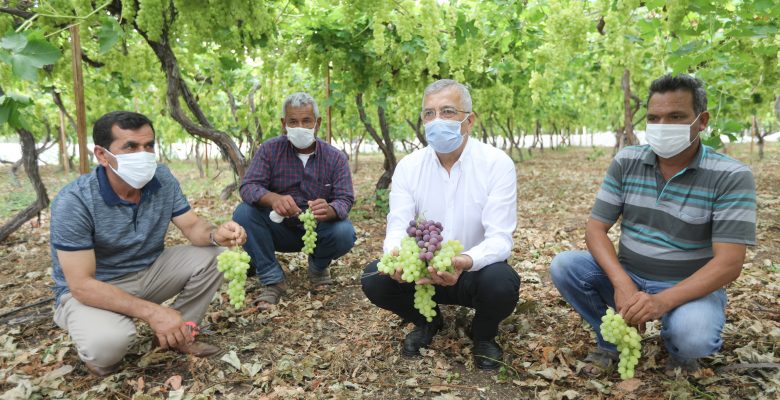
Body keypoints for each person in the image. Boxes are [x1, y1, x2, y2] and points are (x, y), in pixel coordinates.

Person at [550, 73, 756, 376]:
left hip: (689, 285)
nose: (662, 127)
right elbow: (595, 229)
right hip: (631, 273)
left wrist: (660, 302)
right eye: (654, 118)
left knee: (695, 338)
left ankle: (678, 348)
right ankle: (613, 340)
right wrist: (623, 285)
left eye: (676, 116)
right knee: (565, 266)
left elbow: (729, 263)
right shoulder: (627, 161)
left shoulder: (730, 176)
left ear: (702, 121)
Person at [50, 111, 247, 377]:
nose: (143, 154)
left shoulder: (162, 179)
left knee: (215, 255)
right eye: (130, 146)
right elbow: (81, 285)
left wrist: (216, 233)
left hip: (149, 272)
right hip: (95, 288)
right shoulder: (75, 201)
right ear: (102, 155)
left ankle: (178, 335)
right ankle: (108, 344)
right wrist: (154, 314)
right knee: (107, 347)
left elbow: (193, 227)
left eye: (148, 145)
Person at [361, 79, 520, 370]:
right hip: (422, 270)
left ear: (468, 120)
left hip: (473, 272)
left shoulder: (497, 164)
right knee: (374, 277)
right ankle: (427, 320)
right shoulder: (409, 167)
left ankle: (484, 335)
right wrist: (396, 256)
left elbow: (500, 239)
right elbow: (397, 225)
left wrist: (463, 261)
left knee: (503, 283)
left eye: (447, 112)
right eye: (429, 114)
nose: (437, 121)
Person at [233, 92, 356, 309]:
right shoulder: (269, 150)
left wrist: (331, 209)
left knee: (344, 232)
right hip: (278, 230)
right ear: (284, 124)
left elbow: (345, 198)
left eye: (306, 120)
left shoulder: (335, 158)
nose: (300, 126)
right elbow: (248, 186)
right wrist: (272, 198)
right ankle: (272, 279)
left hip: (317, 231)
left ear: (317, 123)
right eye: (293, 121)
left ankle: (318, 268)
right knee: (243, 213)